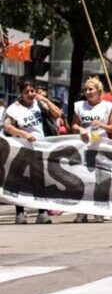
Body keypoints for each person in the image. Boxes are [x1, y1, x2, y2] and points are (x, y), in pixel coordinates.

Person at [3, 81, 63, 224]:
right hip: (22, 148)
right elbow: (7, 127)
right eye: (27, 92)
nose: (30, 94)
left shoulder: (39, 104)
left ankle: (42, 212)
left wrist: (45, 99)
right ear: (21, 93)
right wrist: (23, 134)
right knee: (19, 180)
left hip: (40, 148)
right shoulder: (14, 108)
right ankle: (20, 212)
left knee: (40, 180)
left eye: (32, 91)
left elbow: (57, 114)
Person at [72, 77, 112, 142]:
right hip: (84, 143)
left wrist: (102, 125)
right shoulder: (79, 105)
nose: (87, 92)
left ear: (99, 91)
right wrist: (80, 129)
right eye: (85, 90)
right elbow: (74, 125)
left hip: (101, 144)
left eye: (90, 89)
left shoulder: (108, 106)